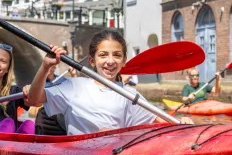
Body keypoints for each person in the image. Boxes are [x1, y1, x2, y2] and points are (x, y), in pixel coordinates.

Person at [28, 29, 193, 135]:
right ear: (92, 61)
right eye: (103, 55)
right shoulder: (73, 86)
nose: (110, 61)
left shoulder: (131, 95)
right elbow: (34, 100)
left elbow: (163, 124)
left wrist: (181, 124)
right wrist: (44, 66)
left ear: (124, 62)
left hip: (115, 154)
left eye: (117, 55)